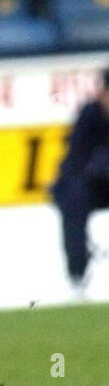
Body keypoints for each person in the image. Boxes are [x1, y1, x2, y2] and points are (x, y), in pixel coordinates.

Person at [51, 69, 109, 293]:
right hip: (92, 185)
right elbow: (75, 164)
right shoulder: (88, 117)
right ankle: (77, 274)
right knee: (74, 196)